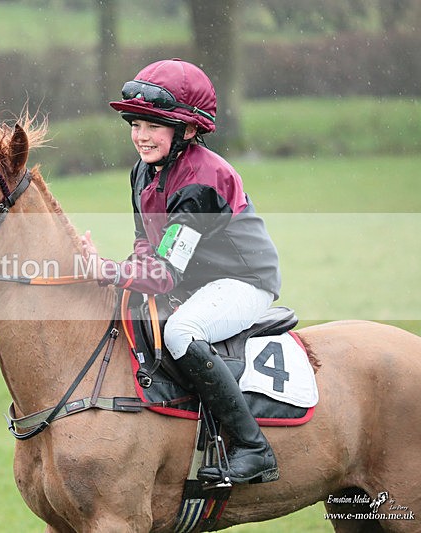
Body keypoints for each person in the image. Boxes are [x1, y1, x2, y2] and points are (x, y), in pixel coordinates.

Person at [80, 58, 281, 485]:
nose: (140, 136)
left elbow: (167, 272)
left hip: (242, 283)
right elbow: (145, 241)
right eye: (135, 124)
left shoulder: (202, 180)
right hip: (195, 279)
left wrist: (110, 271)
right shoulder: (143, 171)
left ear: (188, 130)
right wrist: (124, 270)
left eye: (153, 126)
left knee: (180, 332)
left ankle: (253, 448)